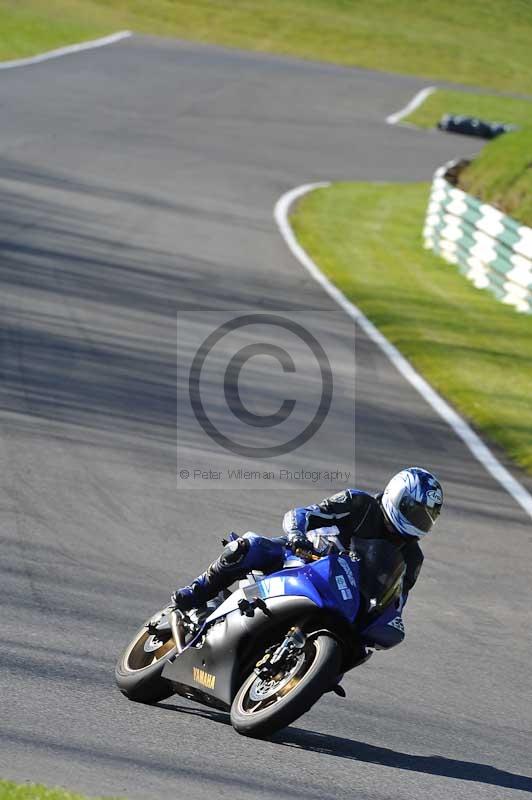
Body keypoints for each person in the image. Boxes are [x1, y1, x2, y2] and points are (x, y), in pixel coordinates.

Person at [171, 467, 443, 638]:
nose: (419, 521)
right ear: (398, 496)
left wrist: (387, 620)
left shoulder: (412, 557)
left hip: (347, 600)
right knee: (246, 547)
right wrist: (297, 536)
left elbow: (397, 599)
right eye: (415, 512)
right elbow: (303, 514)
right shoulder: (359, 503)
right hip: (303, 559)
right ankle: (196, 592)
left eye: (426, 517)